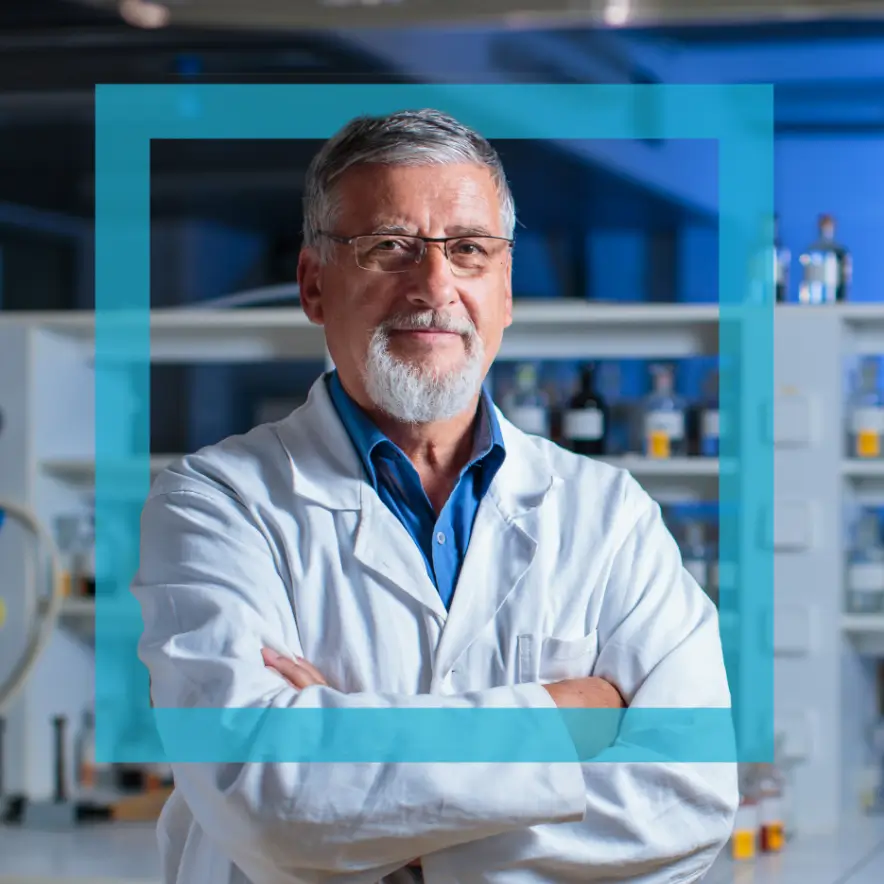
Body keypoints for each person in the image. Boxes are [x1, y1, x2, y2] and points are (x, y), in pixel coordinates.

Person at [133, 108, 739, 884]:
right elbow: (263, 795)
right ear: (315, 285)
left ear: (507, 288)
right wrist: (566, 716)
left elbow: (686, 799)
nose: (435, 285)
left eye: (469, 250)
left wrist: (393, 825)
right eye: (389, 248)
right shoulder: (215, 503)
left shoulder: (608, 514)